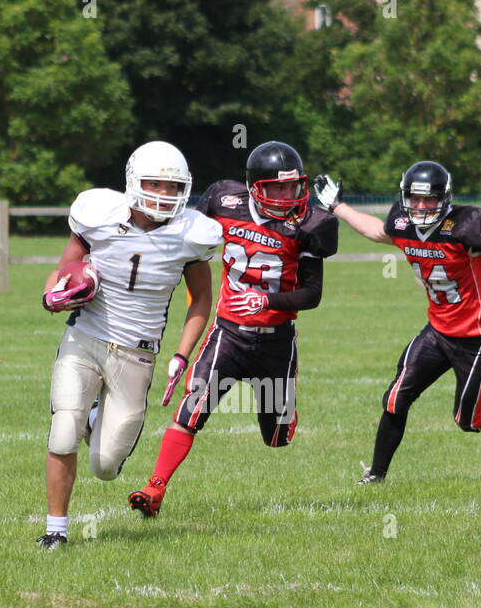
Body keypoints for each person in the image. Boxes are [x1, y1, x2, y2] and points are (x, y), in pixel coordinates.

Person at [127, 140, 339, 517]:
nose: (287, 194)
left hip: (276, 341)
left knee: (276, 437)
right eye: (277, 187)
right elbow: (185, 232)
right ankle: (155, 488)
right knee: (191, 409)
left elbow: (313, 294)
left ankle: (285, 416)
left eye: (292, 186)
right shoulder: (224, 200)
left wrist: (266, 301)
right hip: (228, 332)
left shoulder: (311, 224)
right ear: (255, 187)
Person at [311, 161, 481, 483]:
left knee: (469, 420)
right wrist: (337, 205)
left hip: (479, 337)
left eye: (429, 199)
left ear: (444, 198)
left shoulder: (467, 226)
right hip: (437, 331)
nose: (421, 206)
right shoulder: (403, 224)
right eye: (415, 198)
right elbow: (376, 231)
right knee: (396, 398)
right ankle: (376, 475)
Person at [36, 141, 221, 549]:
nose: (165, 194)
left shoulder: (192, 234)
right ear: (134, 182)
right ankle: (55, 532)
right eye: (155, 183)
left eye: (173, 187)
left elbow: (201, 300)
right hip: (86, 336)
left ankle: (94, 418)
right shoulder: (99, 214)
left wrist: (181, 354)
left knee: (104, 466)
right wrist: (52, 294)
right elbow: (64, 267)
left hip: (137, 354)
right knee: (62, 433)